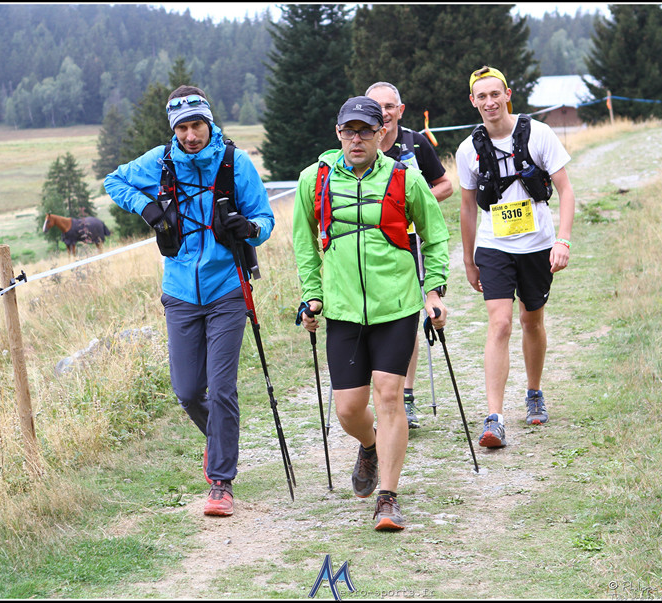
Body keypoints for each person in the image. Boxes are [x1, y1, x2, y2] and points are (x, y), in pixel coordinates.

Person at [105, 85, 274, 517]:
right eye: (182, 128)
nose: (190, 135)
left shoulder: (234, 162)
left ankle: (221, 482)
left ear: (209, 122)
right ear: (174, 129)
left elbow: (265, 219)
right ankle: (220, 441)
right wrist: (146, 208)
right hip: (179, 291)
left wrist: (248, 228)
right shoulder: (160, 161)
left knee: (221, 387)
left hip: (227, 289)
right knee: (187, 391)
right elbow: (114, 181)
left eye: (197, 125)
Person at [294, 96, 449, 531]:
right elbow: (305, 244)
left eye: (366, 131)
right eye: (350, 131)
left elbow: (436, 235)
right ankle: (370, 445)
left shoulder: (404, 177)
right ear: (338, 133)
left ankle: (388, 498)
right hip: (343, 309)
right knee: (348, 409)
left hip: (395, 306)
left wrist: (433, 291)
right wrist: (312, 296)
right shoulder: (314, 180)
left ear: (381, 133)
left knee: (389, 396)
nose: (357, 139)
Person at [455, 66, 575, 448]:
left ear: (508, 95)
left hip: (537, 244)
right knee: (500, 324)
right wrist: (469, 260)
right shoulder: (468, 149)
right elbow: (467, 208)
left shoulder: (538, 134)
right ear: (473, 101)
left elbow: (566, 190)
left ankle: (534, 392)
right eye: (482, 96)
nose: (489, 102)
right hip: (494, 246)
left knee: (531, 320)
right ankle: (494, 418)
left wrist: (563, 241)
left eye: (495, 94)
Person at [366, 82, 454, 430]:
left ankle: (406, 397)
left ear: (400, 110)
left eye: (390, 106)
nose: (384, 113)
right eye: (377, 107)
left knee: (406, 317)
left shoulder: (415, 143)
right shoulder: (358, 143)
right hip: (369, 244)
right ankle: (378, 396)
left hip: (411, 241)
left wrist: (415, 202)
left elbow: (445, 185)